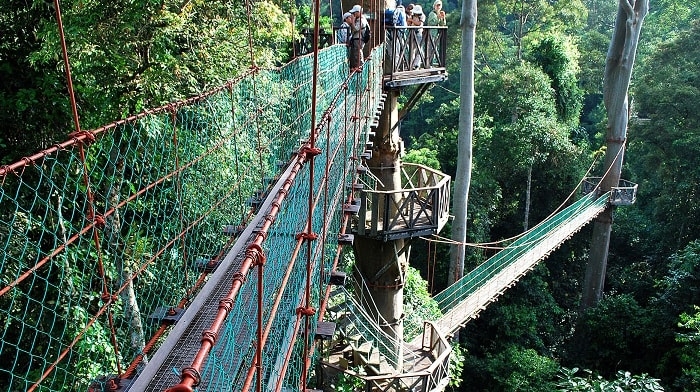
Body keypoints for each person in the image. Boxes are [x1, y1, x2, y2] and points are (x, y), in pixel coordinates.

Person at [348, 4, 370, 69]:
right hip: (357, 38)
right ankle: (358, 66)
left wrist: (352, 21)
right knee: (356, 53)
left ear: (358, 12)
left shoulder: (361, 20)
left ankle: (360, 66)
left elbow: (356, 29)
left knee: (357, 53)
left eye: (354, 13)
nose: (353, 14)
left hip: (359, 39)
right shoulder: (360, 19)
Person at [426, 0, 446, 66]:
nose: (438, 7)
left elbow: (442, 24)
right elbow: (431, 23)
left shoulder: (439, 13)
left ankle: (432, 63)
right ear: (434, 6)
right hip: (431, 33)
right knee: (431, 48)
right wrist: (438, 18)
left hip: (436, 34)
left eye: (440, 5)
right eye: (437, 5)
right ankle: (429, 63)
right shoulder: (432, 14)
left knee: (434, 48)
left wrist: (443, 18)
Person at [408, 4, 425, 69]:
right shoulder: (412, 16)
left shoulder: (422, 16)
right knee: (412, 49)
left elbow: (419, 24)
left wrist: (412, 21)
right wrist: (409, 21)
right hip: (412, 33)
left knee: (418, 49)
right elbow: (408, 23)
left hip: (418, 33)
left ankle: (417, 64)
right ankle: (411, 64)